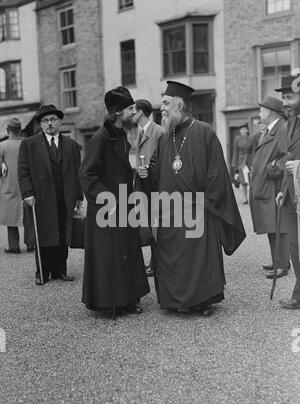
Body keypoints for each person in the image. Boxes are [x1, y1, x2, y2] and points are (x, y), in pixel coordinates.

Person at [138, 81, 246, 316]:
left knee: (199, 259)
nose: (162, 108)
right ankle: (176, 301)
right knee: (172, 257)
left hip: (198, 209)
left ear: (180, 104)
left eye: (166, 104)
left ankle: (202, 301)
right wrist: (146, 173)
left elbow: (217, 173)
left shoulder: (204, 131)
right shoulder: (167, 136)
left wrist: (204, 202)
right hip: (170, 210)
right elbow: (158, 169)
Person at [79, 86, 150, 316]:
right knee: (110, 255)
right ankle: (110, 303)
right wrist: (107, 201)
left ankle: (128, 300)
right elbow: (87, 175)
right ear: (118, 113)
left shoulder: (122, 134)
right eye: (130, 108)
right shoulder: (100, 139)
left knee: (126, 251)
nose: (134, 111)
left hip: (124, 205)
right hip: (107, 210)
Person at [18, 104, 83, 285]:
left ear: (60, 121)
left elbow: (78, 171)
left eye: (53, 119)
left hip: (65, 197)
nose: (49, 124)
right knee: (45, 234)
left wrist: (79, 196)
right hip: (41, 197)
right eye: (45, 121)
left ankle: (60, 271)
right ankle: (43, 272)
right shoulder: (29, 144)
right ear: (41, 124)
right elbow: (22, 171)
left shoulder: (71, 145)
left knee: (63, 234)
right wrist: (27, 193)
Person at [250, 96, 290, 279]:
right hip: (266, 185)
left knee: (279, 225)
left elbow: (288, 157)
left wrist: (271, 168)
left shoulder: (281, 129)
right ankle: (277, 261)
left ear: (269, 111)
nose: (259, 113)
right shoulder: (270, 130)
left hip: (274, 186)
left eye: (261, 110)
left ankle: (283, 264)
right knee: (270, 224)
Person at [275, 75, 300, 309]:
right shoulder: (289, 124)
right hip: (292, 196)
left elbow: (295, 162)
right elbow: (287, 159)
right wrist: (283, 190)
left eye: (289, 97)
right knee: (295, 247)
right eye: (283, 97)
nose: (285, 102)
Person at [132, 99, 164, 277]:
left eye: (134, 111)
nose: (132, 114)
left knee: (156, 225)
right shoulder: (141, 132)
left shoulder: (158, 131)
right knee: (149, 224)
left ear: (141, 113)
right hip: (143, 185)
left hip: (154, 187)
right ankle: (153, 262)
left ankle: (156, 264)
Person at [0, 118, 34, 253]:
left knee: (11, 218)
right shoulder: (28, 144)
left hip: (8, 186)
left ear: (8, 131)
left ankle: (14, 246)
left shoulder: (2, 146)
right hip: (27, 185)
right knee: (28, 217)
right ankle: (31, 244)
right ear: (20, 130)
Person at [231, 124, 254, 204]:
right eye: (241, 130)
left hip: (250, 160)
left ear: (247, 130)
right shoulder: (237, 139)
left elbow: (254, 151)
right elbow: (235, 152)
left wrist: (254, 162)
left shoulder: (252, 138)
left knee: (251, 181)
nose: (242, 131)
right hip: (241, 162)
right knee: (243, 181)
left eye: (244, 129)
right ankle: (245, 198)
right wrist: (235, 165)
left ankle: (252, 198)